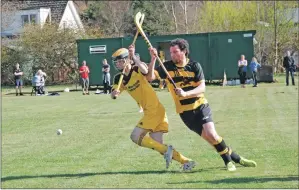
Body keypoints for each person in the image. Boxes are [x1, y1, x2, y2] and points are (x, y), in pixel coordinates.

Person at [147, 38, 257, 171]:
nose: (172, 55)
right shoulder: (167, 67)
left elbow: (202, 88)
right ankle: (237, 158)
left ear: (184, 51)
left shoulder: (194, 66)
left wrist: (186, 94)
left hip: (200, 106)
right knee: (210, 139)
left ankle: (228, 162)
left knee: (212, 134)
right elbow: (150, 77)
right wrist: (153, 59)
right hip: (185, 113)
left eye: (175, 52)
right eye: (171, 52)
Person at [110, 45, 196, 171]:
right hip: (153, 111)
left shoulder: (137, 69)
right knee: (159, 147)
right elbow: (113, 94)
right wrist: (114, 94)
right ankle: (186, 161)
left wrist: (134, 57)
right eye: (116, 62)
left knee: (135, 136)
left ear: (126, 60)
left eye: (119, 61)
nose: (117, 64)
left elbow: (146, 71)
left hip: (154, 110)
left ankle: (169, 150)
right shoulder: (119, 78)